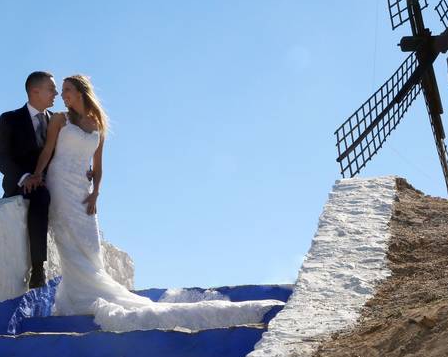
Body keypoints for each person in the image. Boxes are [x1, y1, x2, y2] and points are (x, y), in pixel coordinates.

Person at [29, 74, 283, 331]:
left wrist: (96, 193)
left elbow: (99, 166)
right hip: (60, 184)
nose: (63, 95)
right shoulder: (60, 120)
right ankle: (78, 298)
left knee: (90, 244)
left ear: (82, 92)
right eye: (61, 91)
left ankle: (92, 292)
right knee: (68, 242)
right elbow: (48, 151)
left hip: (84, 191)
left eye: (68, 89)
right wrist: (38, 174)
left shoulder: (97, 124)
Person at [0, 71, 59, 289]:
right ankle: (38, 268)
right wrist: (24, 177)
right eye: (51, 89)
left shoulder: (57, 122)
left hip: (54, 183)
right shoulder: (10, 119)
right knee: (40, 196)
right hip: (22, 187)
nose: (56, 93)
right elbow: (0, 157)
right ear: (34, 91)